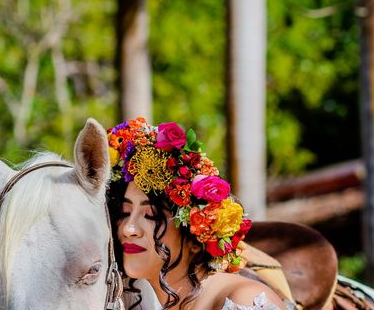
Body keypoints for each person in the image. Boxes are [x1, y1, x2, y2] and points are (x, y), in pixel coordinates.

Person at [106, 117, 289, 310]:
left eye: (151, 214)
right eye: (124, 212)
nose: (128, 228)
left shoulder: (244, 301)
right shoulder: (128, 300)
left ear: (195, 236)